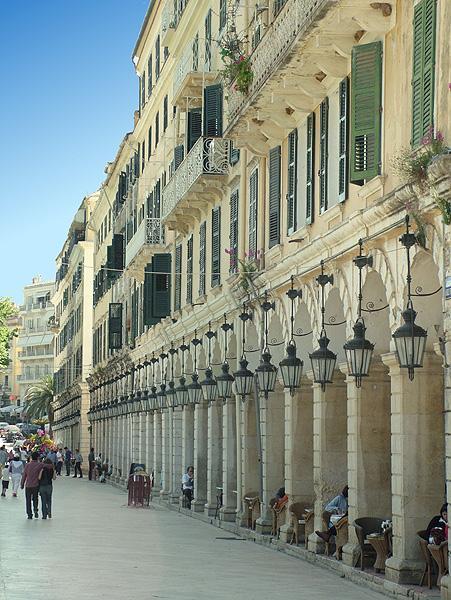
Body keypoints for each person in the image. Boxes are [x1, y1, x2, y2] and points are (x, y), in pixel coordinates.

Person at [21, 451, 43, 519]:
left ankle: (29, 514)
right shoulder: (40, 465)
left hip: (28, 485)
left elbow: (24, 475)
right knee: (35, 499)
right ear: (37, 457)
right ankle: (35, 509)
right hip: (36, 485)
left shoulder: (27, 465)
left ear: (31, 457)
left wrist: (22, 484)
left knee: (28, 500)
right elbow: (47, 466)